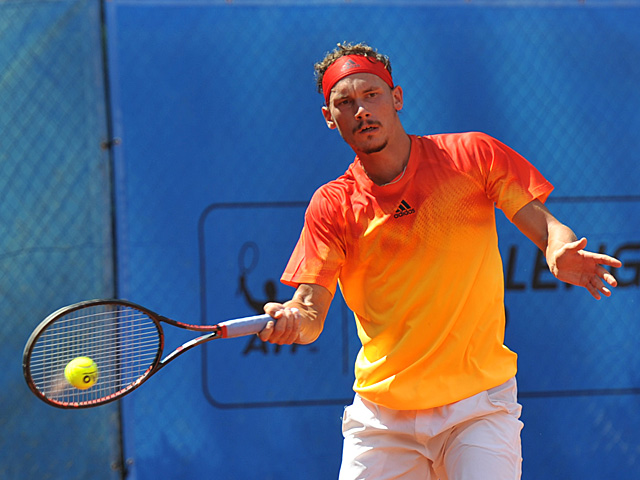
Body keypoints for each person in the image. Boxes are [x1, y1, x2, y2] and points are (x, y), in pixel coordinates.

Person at [258, 42, 622, 480]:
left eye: (371, 95)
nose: (361, 111)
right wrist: (292, 320)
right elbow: (309, 313)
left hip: (478, 407)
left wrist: (558, 249)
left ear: (396, 98)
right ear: (329, 117)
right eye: (345, 102)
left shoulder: (472, 156)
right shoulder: (332, 205)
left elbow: (548, 229)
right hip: (383, 418)